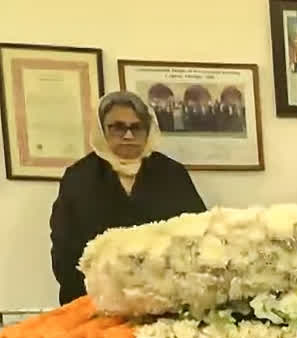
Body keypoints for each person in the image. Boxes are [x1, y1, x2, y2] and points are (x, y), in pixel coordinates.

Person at [50, 91, 205, 305]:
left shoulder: (172, 174)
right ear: (102, 130)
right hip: (93, 303)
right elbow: (64, 248)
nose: (128, 136)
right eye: (118, 127)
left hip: (164, 303)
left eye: (137, 127)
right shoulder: (79, 177)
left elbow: (198, 236)